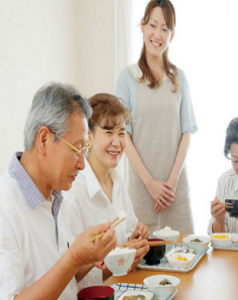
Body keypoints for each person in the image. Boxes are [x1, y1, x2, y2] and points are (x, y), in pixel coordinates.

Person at [0, 83, 117, 300]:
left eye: (85, 150)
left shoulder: (56, 194)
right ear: (44, 140)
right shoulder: (5, 205)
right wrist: (73, 258)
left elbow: (63, 282)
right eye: (77, 149)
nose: (83, 164)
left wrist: (87, 257)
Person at [115, 0, 197, 234]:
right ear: (142, 25)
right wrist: (151, 185)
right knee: (143, 260)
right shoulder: (127, 78)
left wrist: (170, 184)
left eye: (165, 28)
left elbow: (186, 133)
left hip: (175, 193)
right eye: (153, 24)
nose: (158, 34)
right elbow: (124, 135)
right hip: (142, 193)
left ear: (172, 34)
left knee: (184, 260)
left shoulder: (179, 78)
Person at [62, 93, 150, 288]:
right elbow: (72, 276)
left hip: (123, 286)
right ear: (89, 137)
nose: (117, 142)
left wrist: (136, 237)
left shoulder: (117, 181)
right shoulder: (74, 192)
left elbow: (127, 233)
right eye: (109, 132)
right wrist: (116, 264)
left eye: (121, 132)